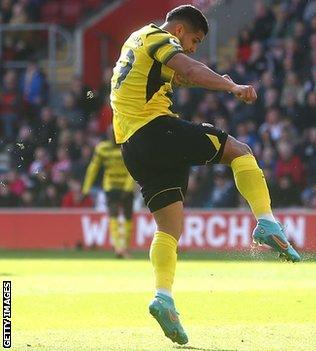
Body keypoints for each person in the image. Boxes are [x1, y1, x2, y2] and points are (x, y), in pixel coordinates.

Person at [110, 5, 301, 345]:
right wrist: (233, 88)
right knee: (241, 152)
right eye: (194, 40)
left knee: (169, 227)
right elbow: (189, 67)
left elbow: (181, 75)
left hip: (131, 146)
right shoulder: (160, 37)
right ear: (180, 30)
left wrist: (220, 82)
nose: (193, 47)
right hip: (154, 129)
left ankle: (163, 296)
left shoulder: (135, 40)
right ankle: (266, 222)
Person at [82, 127, 135, 258]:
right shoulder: (102, 148)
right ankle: (118, 248)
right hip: (111, 186)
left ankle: (124, 247)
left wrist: (128, 187)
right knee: (113, 213)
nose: (113, 136)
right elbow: (93, 168)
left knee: (128, 215)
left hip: (126, 186)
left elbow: (133, 167)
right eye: (111, 134)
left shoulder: (128, 146)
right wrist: (86, 187)